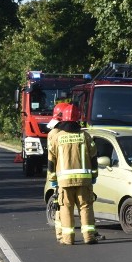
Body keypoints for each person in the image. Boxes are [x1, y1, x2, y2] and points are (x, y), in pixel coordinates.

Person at [46, 103, 98, 245]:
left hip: (64, 182)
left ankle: (68, 238)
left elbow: (51, 160)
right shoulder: (85, 136)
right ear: (77, 119)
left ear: (63, 119)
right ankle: (89, 237)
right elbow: (94, 157)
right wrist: (94, 176)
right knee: (85, 207)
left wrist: (53, 179)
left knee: (66, 208)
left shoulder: (57, 137)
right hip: (84, 181)